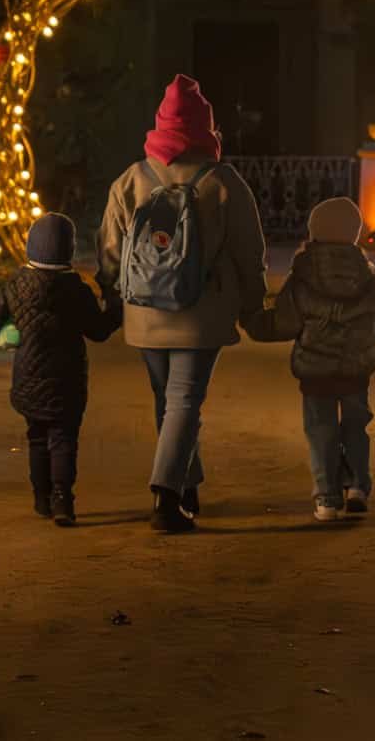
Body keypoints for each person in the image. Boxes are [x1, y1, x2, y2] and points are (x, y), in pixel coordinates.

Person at [98, 74, 267, 533]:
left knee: (167, 398)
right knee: (185, 400)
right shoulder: (224, 181)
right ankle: (166, 496)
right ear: (206, 129)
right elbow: (249, 254)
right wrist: (253, 306)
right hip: (202, 313)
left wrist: (111, 297)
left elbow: (110, 249)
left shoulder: (132, 179)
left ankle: (186, 482)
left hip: (144, 312)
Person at [247, 196, 375, 522]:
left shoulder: (303, 275)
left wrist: (254, 323)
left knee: (321, 430)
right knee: (356, 425)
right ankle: (358, 486)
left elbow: (285, 323)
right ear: (354, 234)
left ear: (314, 231)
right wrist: (362, 339)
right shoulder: (367, 276)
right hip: (356, 368)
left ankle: (326, 498)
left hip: (315, 369)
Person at [0, 212, 121, 527]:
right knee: (64, 439)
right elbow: (97, 331)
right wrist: (116, 310)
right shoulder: (75, 288)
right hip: (67, 380)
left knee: (36, 438)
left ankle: (41, 498)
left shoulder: (17, 283)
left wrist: (8, 332)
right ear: (68, 250)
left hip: (28, 379)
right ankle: (63, 500)